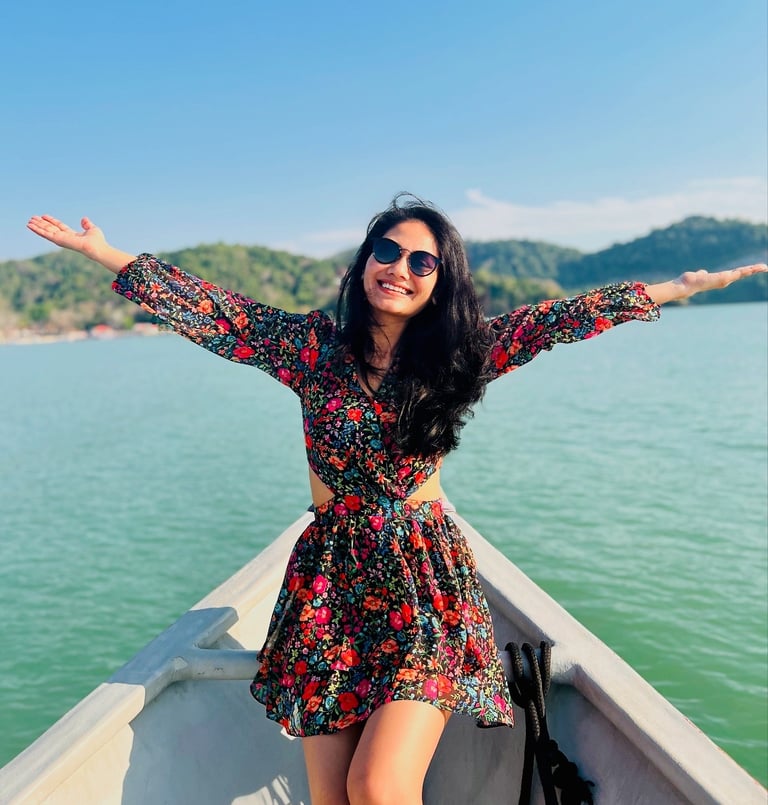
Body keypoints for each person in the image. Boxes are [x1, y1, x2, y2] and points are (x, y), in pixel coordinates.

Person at [26, 198, 766, 805]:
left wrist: (667, 291)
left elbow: (554, 321)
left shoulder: (460, 352)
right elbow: (218, 314)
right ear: (363, 261)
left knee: (378, 784)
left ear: (440, 281)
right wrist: (106, 255)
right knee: (331, 796)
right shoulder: (310, 347)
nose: (401, 268)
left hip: (424, 583)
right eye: (388, 250)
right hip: (330, 585)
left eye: (423, 260)